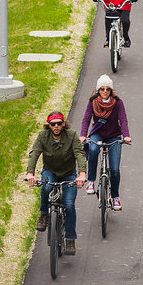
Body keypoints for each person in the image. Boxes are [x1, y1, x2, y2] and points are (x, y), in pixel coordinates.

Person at [26, 111, 86, 255]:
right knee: (46, 187)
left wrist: (82, 174)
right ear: (49, 125)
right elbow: (34, 153)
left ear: (64, 124)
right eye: (53, 124)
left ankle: (70, 239)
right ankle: (44, 214)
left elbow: (79, 153)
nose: (57, 126)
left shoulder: (71, 135)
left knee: (69, 204)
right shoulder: (42, 136)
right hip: (50, 171)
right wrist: (30, 173)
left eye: (59, 123)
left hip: (68, 174)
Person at [81, 76, 131, 211]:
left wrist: (126, 136)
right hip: (98, 134)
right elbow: (86, 119)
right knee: (93, 149)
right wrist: (83, 135)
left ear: (111, 90)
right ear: (98, 90)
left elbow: (123, 119)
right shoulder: (92, 102)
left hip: (114, 136)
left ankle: (115, 196)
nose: (104, 91)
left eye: (107, 88)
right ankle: (91, 181)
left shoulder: (118, 103)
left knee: (115, 169)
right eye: (102, 89)